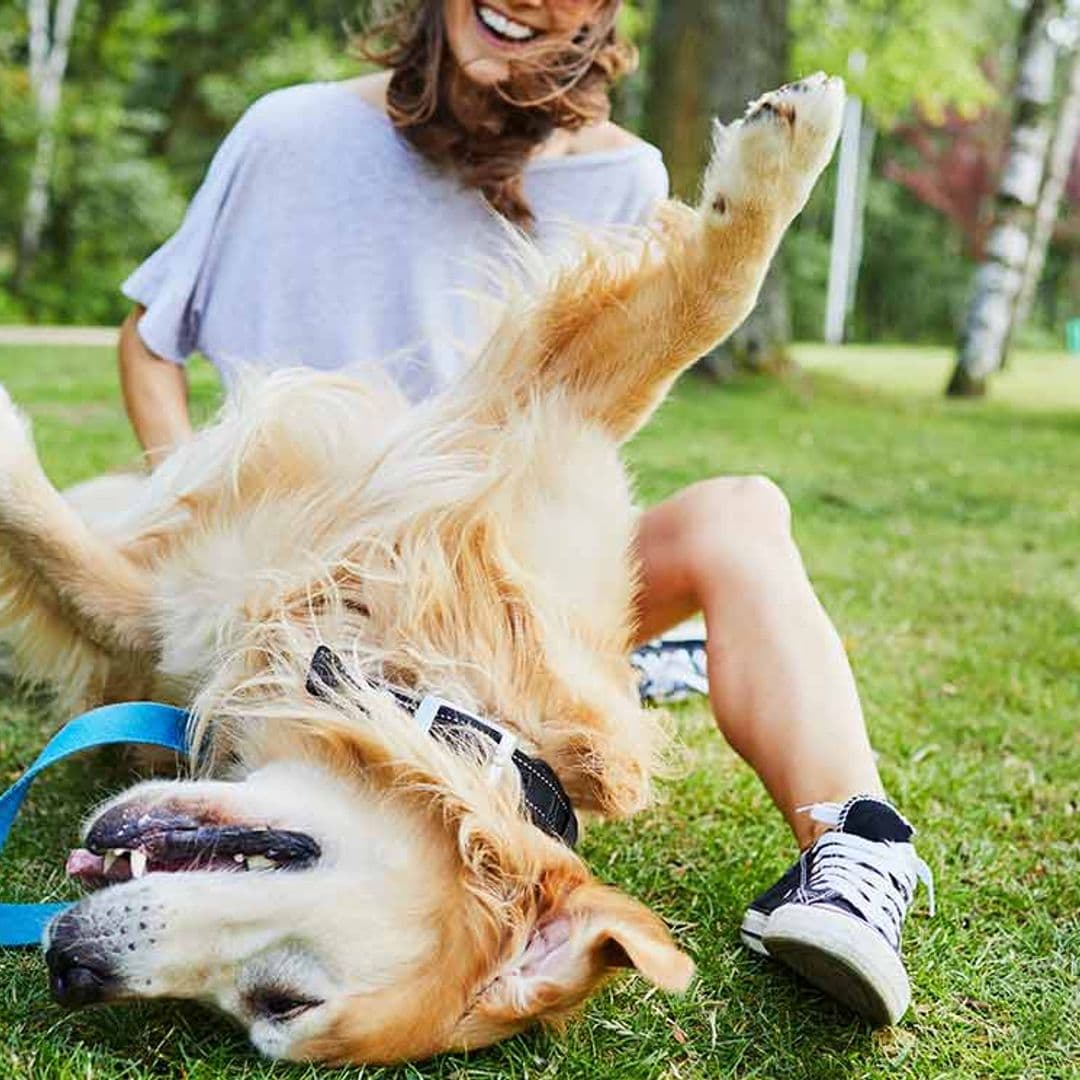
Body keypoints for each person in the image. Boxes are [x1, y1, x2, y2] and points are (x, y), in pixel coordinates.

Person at [117, 0, 932, 1027]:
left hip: (490, 580)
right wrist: (186, 511)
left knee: (741, 512)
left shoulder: (622, 174)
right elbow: (152, 343)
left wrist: (726, 261)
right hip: (300, 575)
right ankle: (653, 672)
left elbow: (580, 431)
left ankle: (854, 854)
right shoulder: (289, 130)